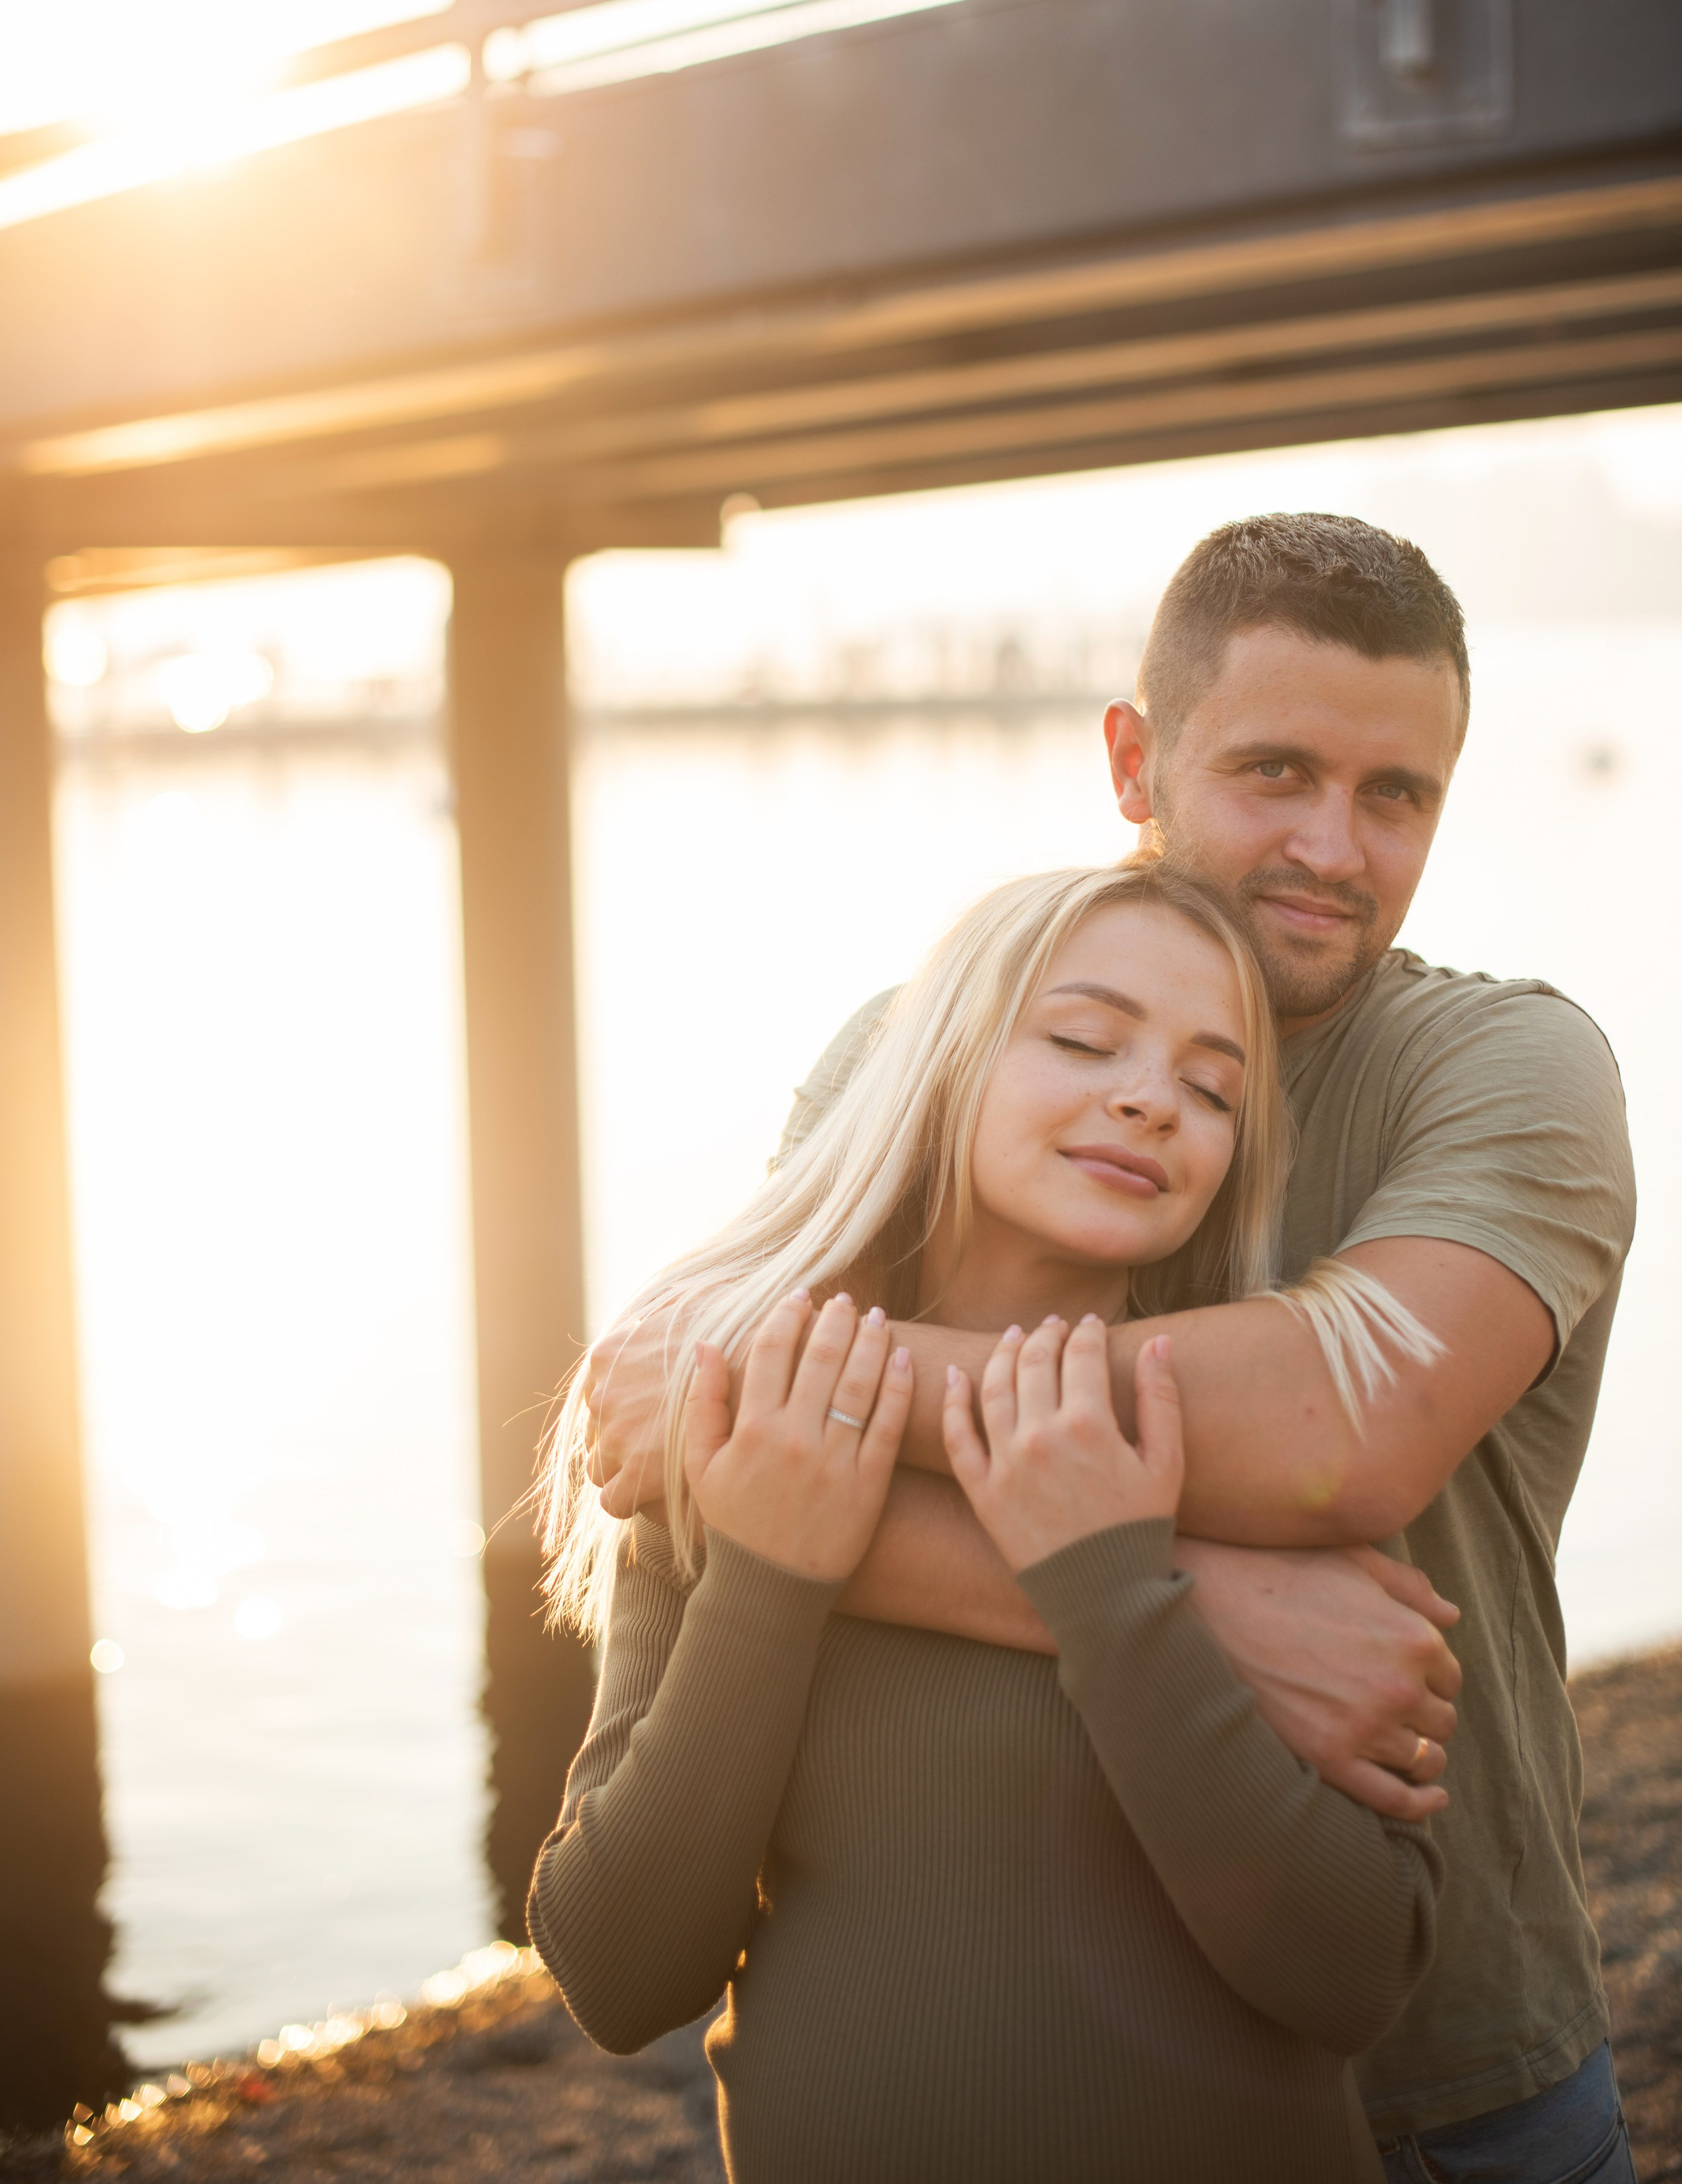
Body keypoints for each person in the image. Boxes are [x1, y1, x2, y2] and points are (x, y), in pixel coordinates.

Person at [585, 514, 1638, 2183]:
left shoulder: (1505, 1066)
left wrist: (766, 1395)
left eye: (1395, 795)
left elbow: (1333, 1439)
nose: (1332, 846)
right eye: (1274, 770)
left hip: (1453, 2084)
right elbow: (619, 1912)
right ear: (1133, 758)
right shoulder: (916, 1042)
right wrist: (1212, 1607)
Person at [533, 861, 1440, 2183]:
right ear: (941, 1065)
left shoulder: (1248, 1460)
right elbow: (617, 1974)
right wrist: (769, 1576)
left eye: (1209, 1085)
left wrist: (1114, 1589)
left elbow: (1353, 1977)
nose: (1148, 1097)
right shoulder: (736, 1437)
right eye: (1081, 1037)